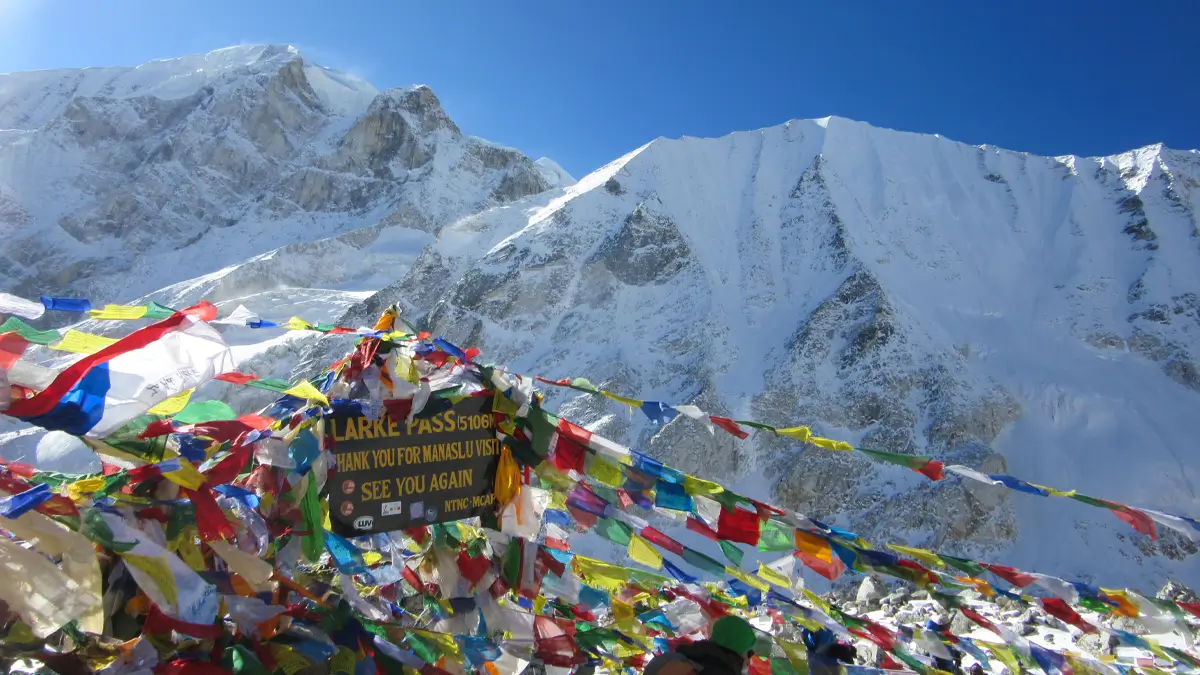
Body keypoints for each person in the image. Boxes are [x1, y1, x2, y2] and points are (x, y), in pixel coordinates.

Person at [643, 615, 758, 675]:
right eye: (750, 653)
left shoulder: (677, 659)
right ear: (736, 648)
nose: (750, 661)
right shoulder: (721, 671)